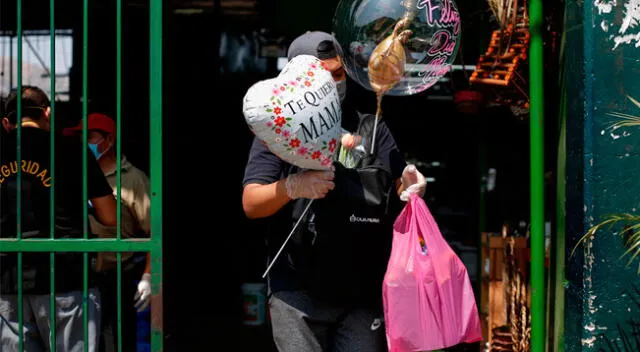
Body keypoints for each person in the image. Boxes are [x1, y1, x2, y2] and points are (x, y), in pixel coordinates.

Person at [242, 31, 427, 352]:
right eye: (323, 75)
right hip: (297, 288)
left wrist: (411, 185)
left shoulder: (371, 126)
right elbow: (252, 203)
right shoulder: (277, 130)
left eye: (339, 73)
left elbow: (400, 181)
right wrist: (292, 186)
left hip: (361, 289)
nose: (334, 82)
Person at [0, 86, 118, 352]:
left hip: (7, 279)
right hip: (65, 276)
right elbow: (110, 217)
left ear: (6, 123)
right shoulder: (72, 151)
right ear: (48, 113)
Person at [64, 112, 152, 352]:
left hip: (115, 277)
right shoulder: (71, 175)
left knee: (116, 342)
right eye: (78, 137)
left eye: (89, 136)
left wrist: (148, 276)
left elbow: (154, 233)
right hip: (76, 278)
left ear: (109, 140)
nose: (83, 143)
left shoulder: (133, 179)